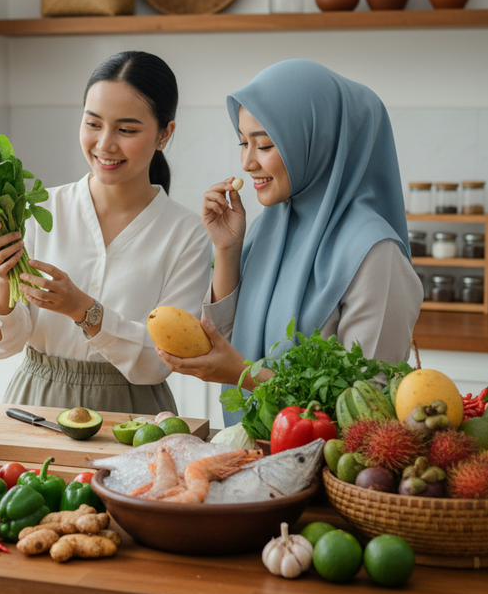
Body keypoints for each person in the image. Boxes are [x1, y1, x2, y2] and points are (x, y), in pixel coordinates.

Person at [155, 59, 423, 426]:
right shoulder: (271, 227)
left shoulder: (376, 254)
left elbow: (364, 410)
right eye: (243, 142)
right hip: (251, 461)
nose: (247, 162)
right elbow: (231, 342)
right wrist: (227, 250)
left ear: (318, 142)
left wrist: (242, 375)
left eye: (263, 145)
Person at [0, 51, 212, 415]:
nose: (105, 144)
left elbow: (161, 360)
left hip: (133, 416)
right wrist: (3, 278)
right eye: (93, 123)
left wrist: (84, 310)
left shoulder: (186, 234)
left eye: (127, 130)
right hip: (36, 406)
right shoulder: (39, 210)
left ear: (165, 134)